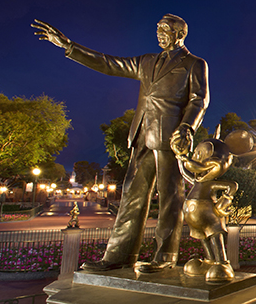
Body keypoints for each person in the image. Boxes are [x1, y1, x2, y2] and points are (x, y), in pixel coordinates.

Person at [32, 14, 208, 273]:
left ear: (180, 34)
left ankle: (165, 256)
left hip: (170, 136)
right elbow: (108, 63)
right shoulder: (146, 61)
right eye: (157, 28)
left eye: (164, 29)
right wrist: (69, 46)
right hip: (141, 133)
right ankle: (119, 255)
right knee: (131, 195)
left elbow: (199, 99)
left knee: (170, 195)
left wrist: (186, 128)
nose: (159, 32)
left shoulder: (194, 63)